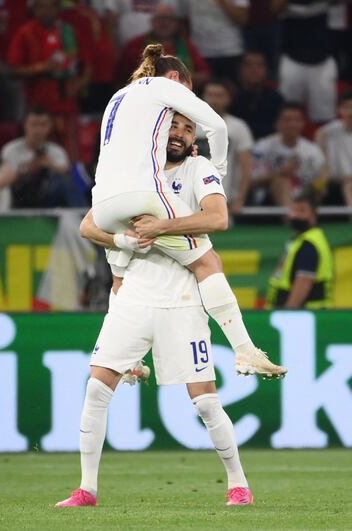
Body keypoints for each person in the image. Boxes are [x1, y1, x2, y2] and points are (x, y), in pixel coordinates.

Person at [55, 113, 259, 508]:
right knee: (96, 388)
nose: (180, 134)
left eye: (187, 128)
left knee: (204, 400)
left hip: (182, 298)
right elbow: (88, 225)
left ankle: (238, 484)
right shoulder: (132, 170)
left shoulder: (199, 168)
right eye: (174, 126)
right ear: (157, 130)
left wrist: (159, 227)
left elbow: (218, 218)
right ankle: (86, 489)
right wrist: (125, 241)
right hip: (133, 294)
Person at [92, 44, 286, 379]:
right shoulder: (165, 88)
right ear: (174, 78)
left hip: (103, 199)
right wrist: (219, 170)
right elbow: (219, 128)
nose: (186, 100)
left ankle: (126, 358)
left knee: (121, 274)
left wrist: (121, 240)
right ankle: (244, 351)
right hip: (139, 194)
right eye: (188, 91)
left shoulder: (120, 98)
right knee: (207, 260)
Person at [7, 0, 91, 158]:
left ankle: (72, 181)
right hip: (37, 108)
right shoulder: (25, 33)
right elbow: (12, 70)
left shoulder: (69, 32)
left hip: (67, 106)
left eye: (50, 6)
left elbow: (87, 67)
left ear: (57, 8)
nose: (46, 11)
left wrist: (78, 84)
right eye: (41, 6)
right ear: (34, 9)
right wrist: (41, 68)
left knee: (71, 155)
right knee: (36, 155)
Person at [0, 106, 87, 208]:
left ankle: (81, 214)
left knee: (68, 180)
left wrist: (50, 165)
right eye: (34, 124)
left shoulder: (56, 151)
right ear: (25, 125)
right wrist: (29, 168)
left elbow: (66, 174)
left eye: (43, 125)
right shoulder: (11, 149)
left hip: (47, 197)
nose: (38, 130)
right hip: (19, 195)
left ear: (50, 126)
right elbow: (4, 177)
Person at [116, 3, 210, 90]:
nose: (164, 23)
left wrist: (177, 78)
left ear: (176, 23)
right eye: (160, 18)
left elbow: (204, 74)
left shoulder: (185, 44)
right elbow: (121, 77)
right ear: (152, 22)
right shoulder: (136, 44)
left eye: (168, 18)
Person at [265, 190, 333, 309]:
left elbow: (304, 282)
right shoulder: (299, 240)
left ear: (313, 215)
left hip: (305, 314)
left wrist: (288, 313)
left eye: (302, 210)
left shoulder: (309, 244)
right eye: (294, 210)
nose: (295, 215)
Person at [251, 103, 327, 207]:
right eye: (287, 120)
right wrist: (280, 173)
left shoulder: (313, 150)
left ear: (303, 124)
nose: (292, 124)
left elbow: (322, 177)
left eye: (297, 120)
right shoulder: (262, 147)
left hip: (305, 196)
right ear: (277, 123)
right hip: (268, 199)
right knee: (282, 181)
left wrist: (319, 184)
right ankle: (292, 220)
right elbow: (252, 182)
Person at [274, 0, 337, 124]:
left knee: (324, 115)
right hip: (293, 58)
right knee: (288, 110)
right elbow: (274, 7)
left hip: (322, 59)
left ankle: (321, 142)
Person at [196, 79, 253, 215]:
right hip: (189, 196)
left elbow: (246, 167)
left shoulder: (238, 127)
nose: (214, 100)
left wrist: (240, 199)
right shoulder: (190, 123)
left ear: (229, 99)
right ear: (202, 97)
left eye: (220, 95)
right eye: (210, 95)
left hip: (224, 199)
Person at [169, 0, 249, 82]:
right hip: (200, 52)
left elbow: (242, 19)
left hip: (230, 50)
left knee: (231, 88)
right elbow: (181, 18)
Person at [231, 51, 285, 140]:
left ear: (267, 70)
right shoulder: (231, 96)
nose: (254, 70)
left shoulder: (276, 98)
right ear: (239, 69)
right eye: (248, 65)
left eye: (260, 65)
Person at [315, 90, 352, 207]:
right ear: (339, 110)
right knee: (316, 183)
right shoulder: (324, 133)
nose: (351, 112)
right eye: (347, 107)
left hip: (349, 183)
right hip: (331, 181)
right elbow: (320, 165)